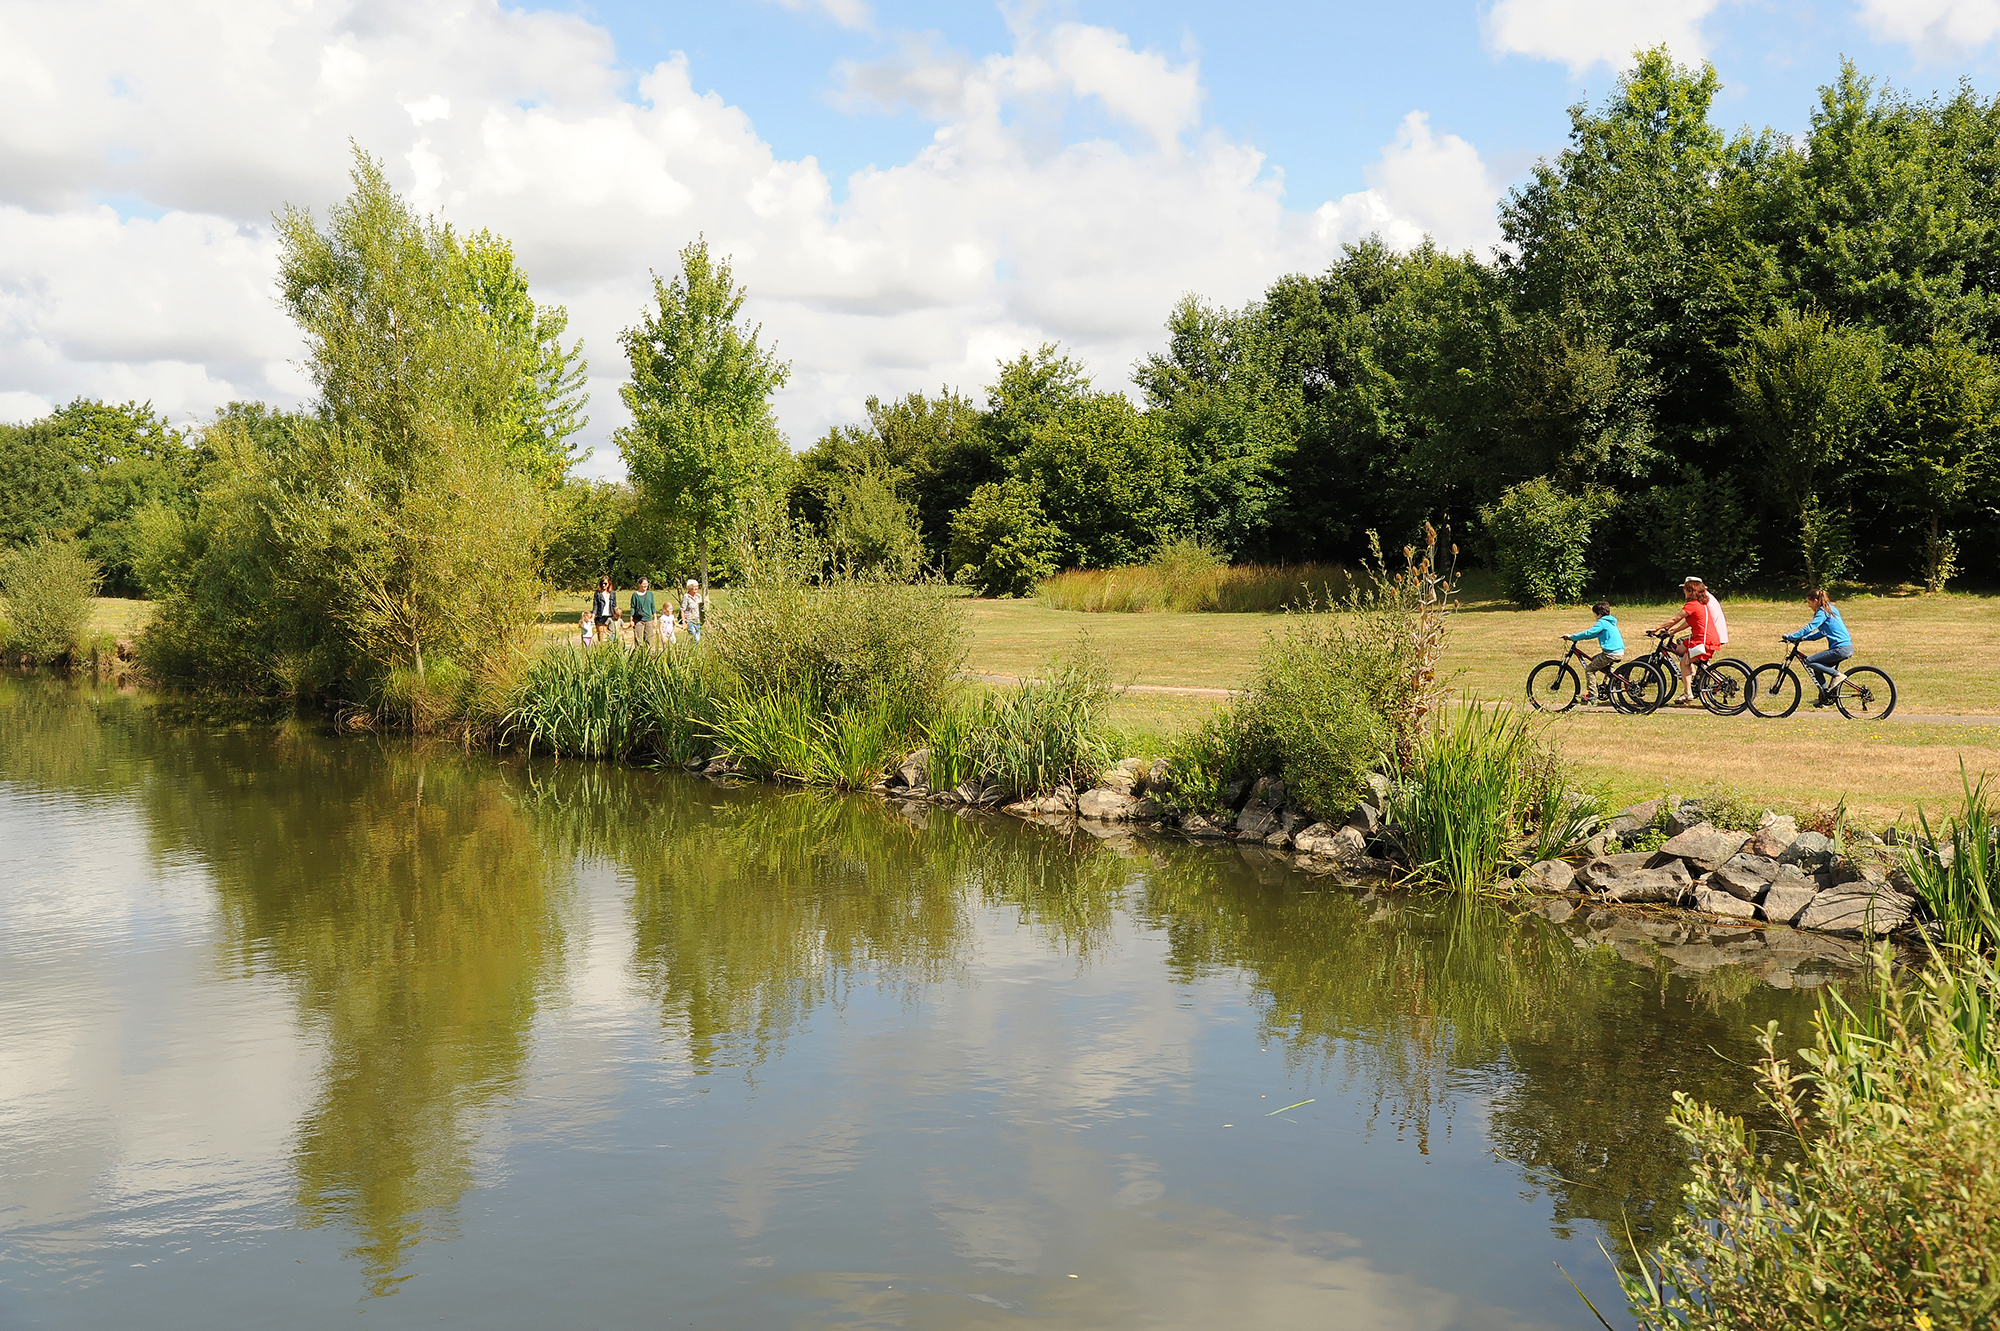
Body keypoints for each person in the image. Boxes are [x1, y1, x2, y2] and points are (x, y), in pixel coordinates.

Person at [1783, 588, 1854, 708]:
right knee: (1818, 667)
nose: (1809, 606)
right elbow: (1821, 633)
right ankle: (1825, 697)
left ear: (1816, 600)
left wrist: (1792, 636)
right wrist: (1804, 638)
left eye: (1809, 603)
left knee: (1810, 661)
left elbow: (1810, 627)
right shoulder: (1831, 609)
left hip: (1840, 649)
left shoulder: (1822, 612)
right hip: (1846, 647)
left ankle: (1837, 675)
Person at [1652, 576, 1717, 705]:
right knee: (1679, 649)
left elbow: (1675, 618)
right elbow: (1688, 622)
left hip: (1702, 640)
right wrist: (1673, 631)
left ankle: (1688, 693)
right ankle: (1692, 673)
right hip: (1707, 637)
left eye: (1685, 590)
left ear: (1690, 591)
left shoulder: (1692, 605)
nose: (1684, 592)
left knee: (1684, 663)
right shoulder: (1701, 604)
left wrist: (1657, 628)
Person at [1562, 601, 1624, 703]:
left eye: (1594, 614)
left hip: (1610, 653)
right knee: (1595, 659)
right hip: (1618, 652)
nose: (1595, 617)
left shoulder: (1602, 622)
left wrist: (1572, 637)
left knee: (1590, 669)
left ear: (1598, 613)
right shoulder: (1610, 622)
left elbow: (1588, 633)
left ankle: (1592, 694)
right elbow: (1592, 634)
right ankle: (1614, 677)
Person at [630, 577, 658, 648]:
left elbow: (653, 606)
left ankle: (647, 655)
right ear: (639, 584)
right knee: (638, 639)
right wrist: (631, 619)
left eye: (647, 583)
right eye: (643, 584)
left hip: (648, 618)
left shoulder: (650, 594)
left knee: (649, 639)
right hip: (638, 619)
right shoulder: (635, 595)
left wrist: (655, 618)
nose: (645, 585)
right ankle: (639, 654)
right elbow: (633, 607)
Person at [592, 576, 615, 646]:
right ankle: (601, 651)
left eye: (605, 583)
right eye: (602, 583)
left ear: (609, 583)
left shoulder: (612, 593)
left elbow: (614, 605)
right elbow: (595, 604)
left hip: (610, 616)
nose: (603, 585)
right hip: (600, 616)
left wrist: (616, 615)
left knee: (610, 634)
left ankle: (610, 649)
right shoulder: (598, 593)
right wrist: (593, 614)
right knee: (601, 636)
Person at [681, 578, 705, 644]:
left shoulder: (698, 596)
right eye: (694, 587)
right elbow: (682, 610)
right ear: (689, 588)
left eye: (697, 586)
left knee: (698, 639)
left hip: (698, 620)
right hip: (690, 621)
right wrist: (684, 622)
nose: (696, 588)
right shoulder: (686, 597)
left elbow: (701, 608)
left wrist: (705, 619)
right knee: (695, 638)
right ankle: (693, 652)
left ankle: (693, 652)